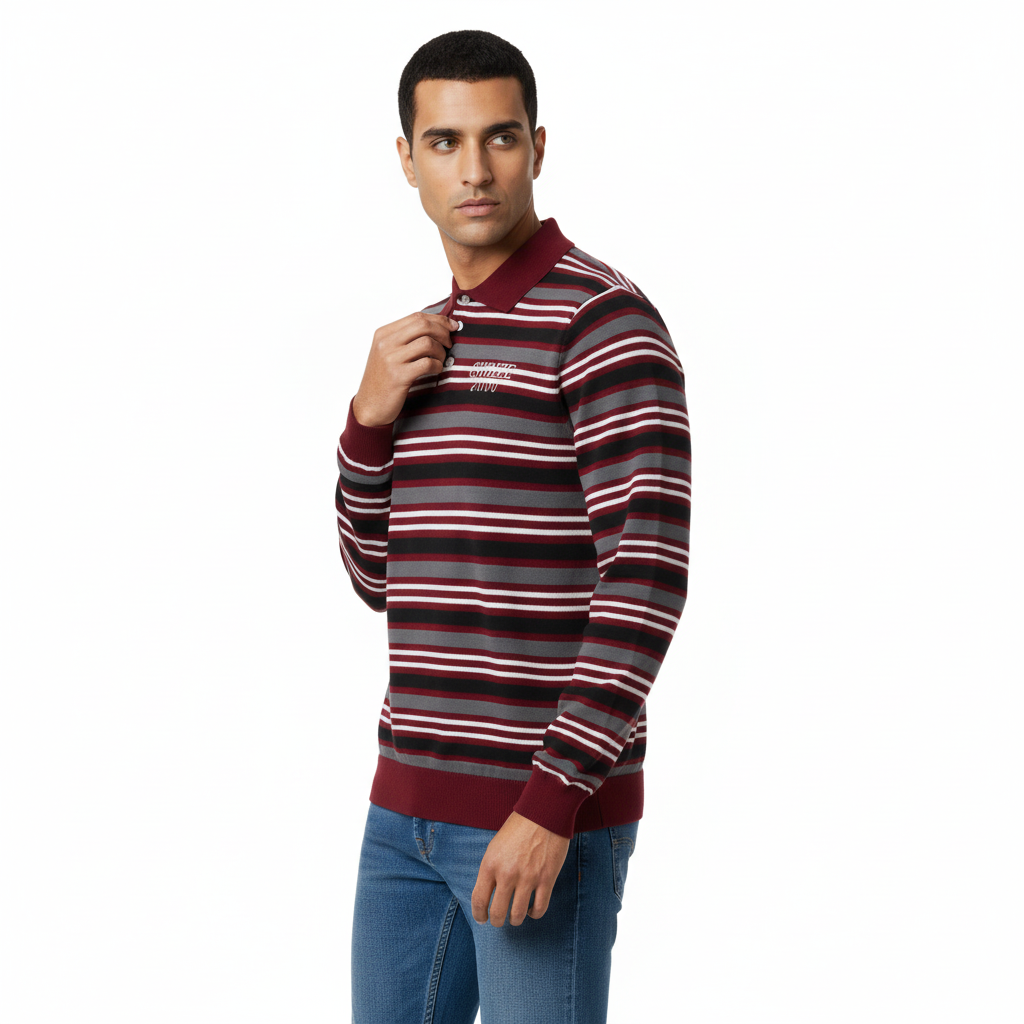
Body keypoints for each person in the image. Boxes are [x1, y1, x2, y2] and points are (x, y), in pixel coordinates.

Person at [335, 29, 691, 1024]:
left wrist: (552, 801)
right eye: (444, 142)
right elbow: (377, 578)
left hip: (539, 817)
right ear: (406, 158)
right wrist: (366, 423)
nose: (475, 170)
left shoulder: (604, 325)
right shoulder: (420, 346)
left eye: (498, 137)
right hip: (402, 816)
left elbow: (646, 578)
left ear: (536, 146)